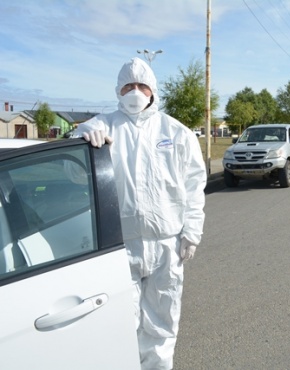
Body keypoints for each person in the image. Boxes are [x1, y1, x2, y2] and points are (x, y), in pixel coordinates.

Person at [72, 57, 206, 370]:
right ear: (118, 91)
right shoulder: (104, 125)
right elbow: (73, 168)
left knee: (161, 323)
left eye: (141, 85)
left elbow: (194, 186)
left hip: (165, 244)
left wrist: (192, 232)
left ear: (153, 90)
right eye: (128, 86)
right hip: (121, 245)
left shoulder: (176, 132)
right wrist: (82, 133)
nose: (135, 92)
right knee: (121, 324)